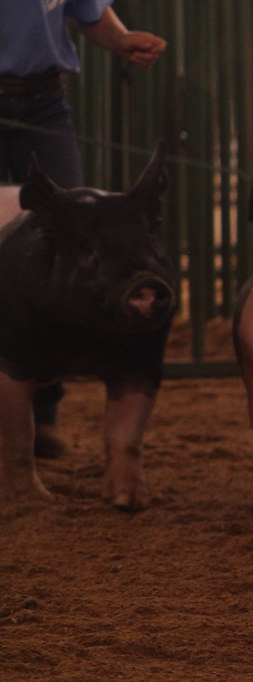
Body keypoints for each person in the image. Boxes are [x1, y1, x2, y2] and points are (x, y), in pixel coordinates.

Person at [1, 1, 166, 458]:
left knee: (66, 243)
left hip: (44, 101)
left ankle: (45, 411)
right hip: (33, 102)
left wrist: (121, 39)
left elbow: (87, 10)